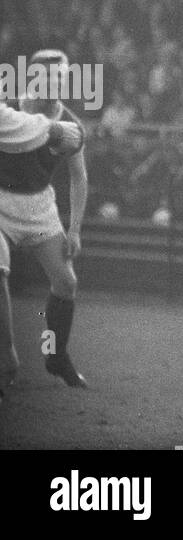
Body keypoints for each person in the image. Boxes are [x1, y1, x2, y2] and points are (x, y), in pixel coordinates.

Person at [0, 50, 89, 400]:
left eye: (62, 76)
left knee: (67, 282)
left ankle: (56, 356)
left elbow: (79, 178)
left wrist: (76, 228)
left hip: (39, 206)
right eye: (48, 76)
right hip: (1, 201)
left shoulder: (69, 123)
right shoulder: (9, 110)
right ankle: (7, 358)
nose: (56, 83)